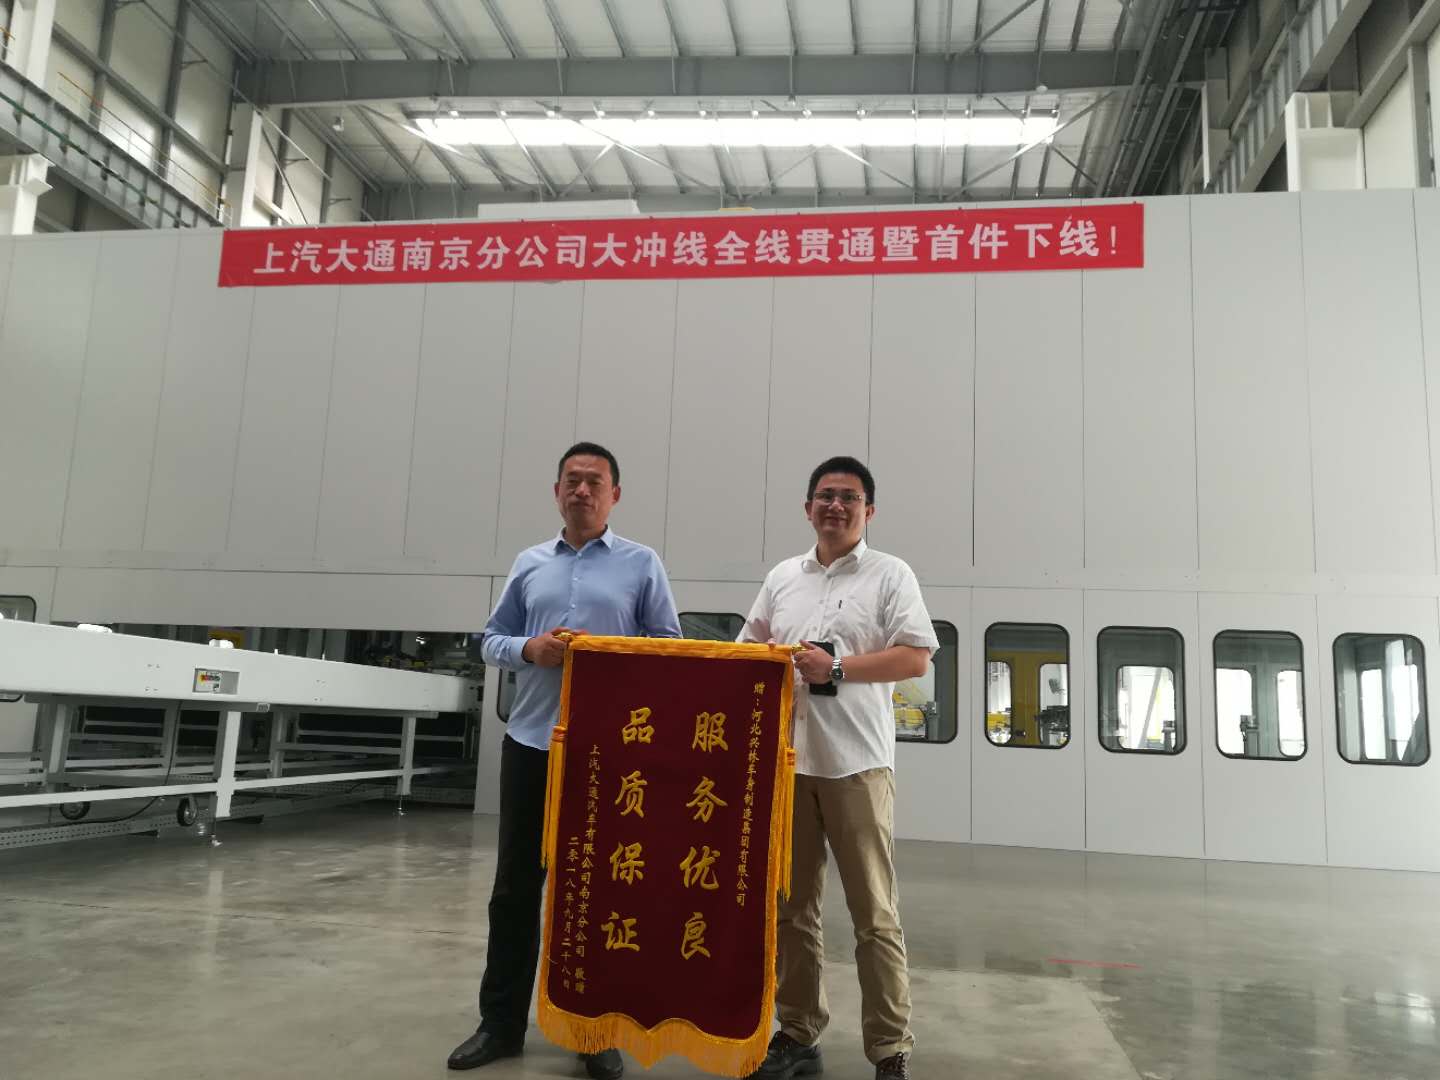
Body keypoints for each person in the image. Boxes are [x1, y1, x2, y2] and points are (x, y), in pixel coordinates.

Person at [447, 442, 682, 1079]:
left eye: (594, 482)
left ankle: (592, 1029)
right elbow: (491, 640)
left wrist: (609, 654)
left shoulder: (642, 564)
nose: (582, 491)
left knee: (597, 892)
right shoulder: (529, 565)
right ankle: (500, 1025)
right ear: (556, 492)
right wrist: (532, 649)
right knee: (515, 889)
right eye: (572, 481)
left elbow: (668, 646)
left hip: (608, 758)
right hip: (531, 745)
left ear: (614, 495)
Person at [740, 456, 937, 1080]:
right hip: (790, 768)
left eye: (849, 497)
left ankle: (890, 1049)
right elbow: (747, 651)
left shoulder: (890, 575)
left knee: (874, 914)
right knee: (792, 911)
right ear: (808, 508)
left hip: (858, 768)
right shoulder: (783, 578)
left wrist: (840, 668)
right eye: (825, 495)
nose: (836, 505)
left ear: (868, 511)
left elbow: (916, 659)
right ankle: (798, 1034)